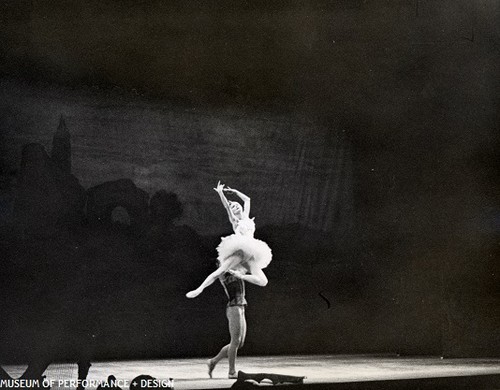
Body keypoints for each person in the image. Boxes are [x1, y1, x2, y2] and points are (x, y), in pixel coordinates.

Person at [186, 181, 272, 379]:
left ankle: (214, 361)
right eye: (233, 208)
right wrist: (222, 195)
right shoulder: (236, 224)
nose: (236, 208)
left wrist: (234, 191)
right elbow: (227, 207)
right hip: (241, 249)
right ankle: (231, 371)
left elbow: (247, 199)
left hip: (252, 251)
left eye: (237, 206)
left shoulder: (248, 218)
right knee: (236, 341)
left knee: (263, 280)